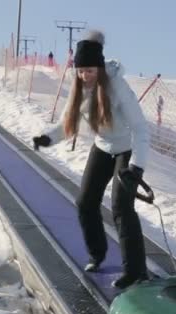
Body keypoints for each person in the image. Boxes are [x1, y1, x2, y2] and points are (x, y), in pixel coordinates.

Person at [32, 30, 150, 289]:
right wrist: (47, 139)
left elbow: (141, 128)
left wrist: (136, 168)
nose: (85, 76)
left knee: (121, 206)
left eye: (90, 71)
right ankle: (97, 254)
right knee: (85, 201)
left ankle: (136, 271)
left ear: (100, 69)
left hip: (127, 148)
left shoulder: (117, 87)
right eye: (81, 71)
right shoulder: (79, 90)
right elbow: (68, 124)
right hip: (103, 146)